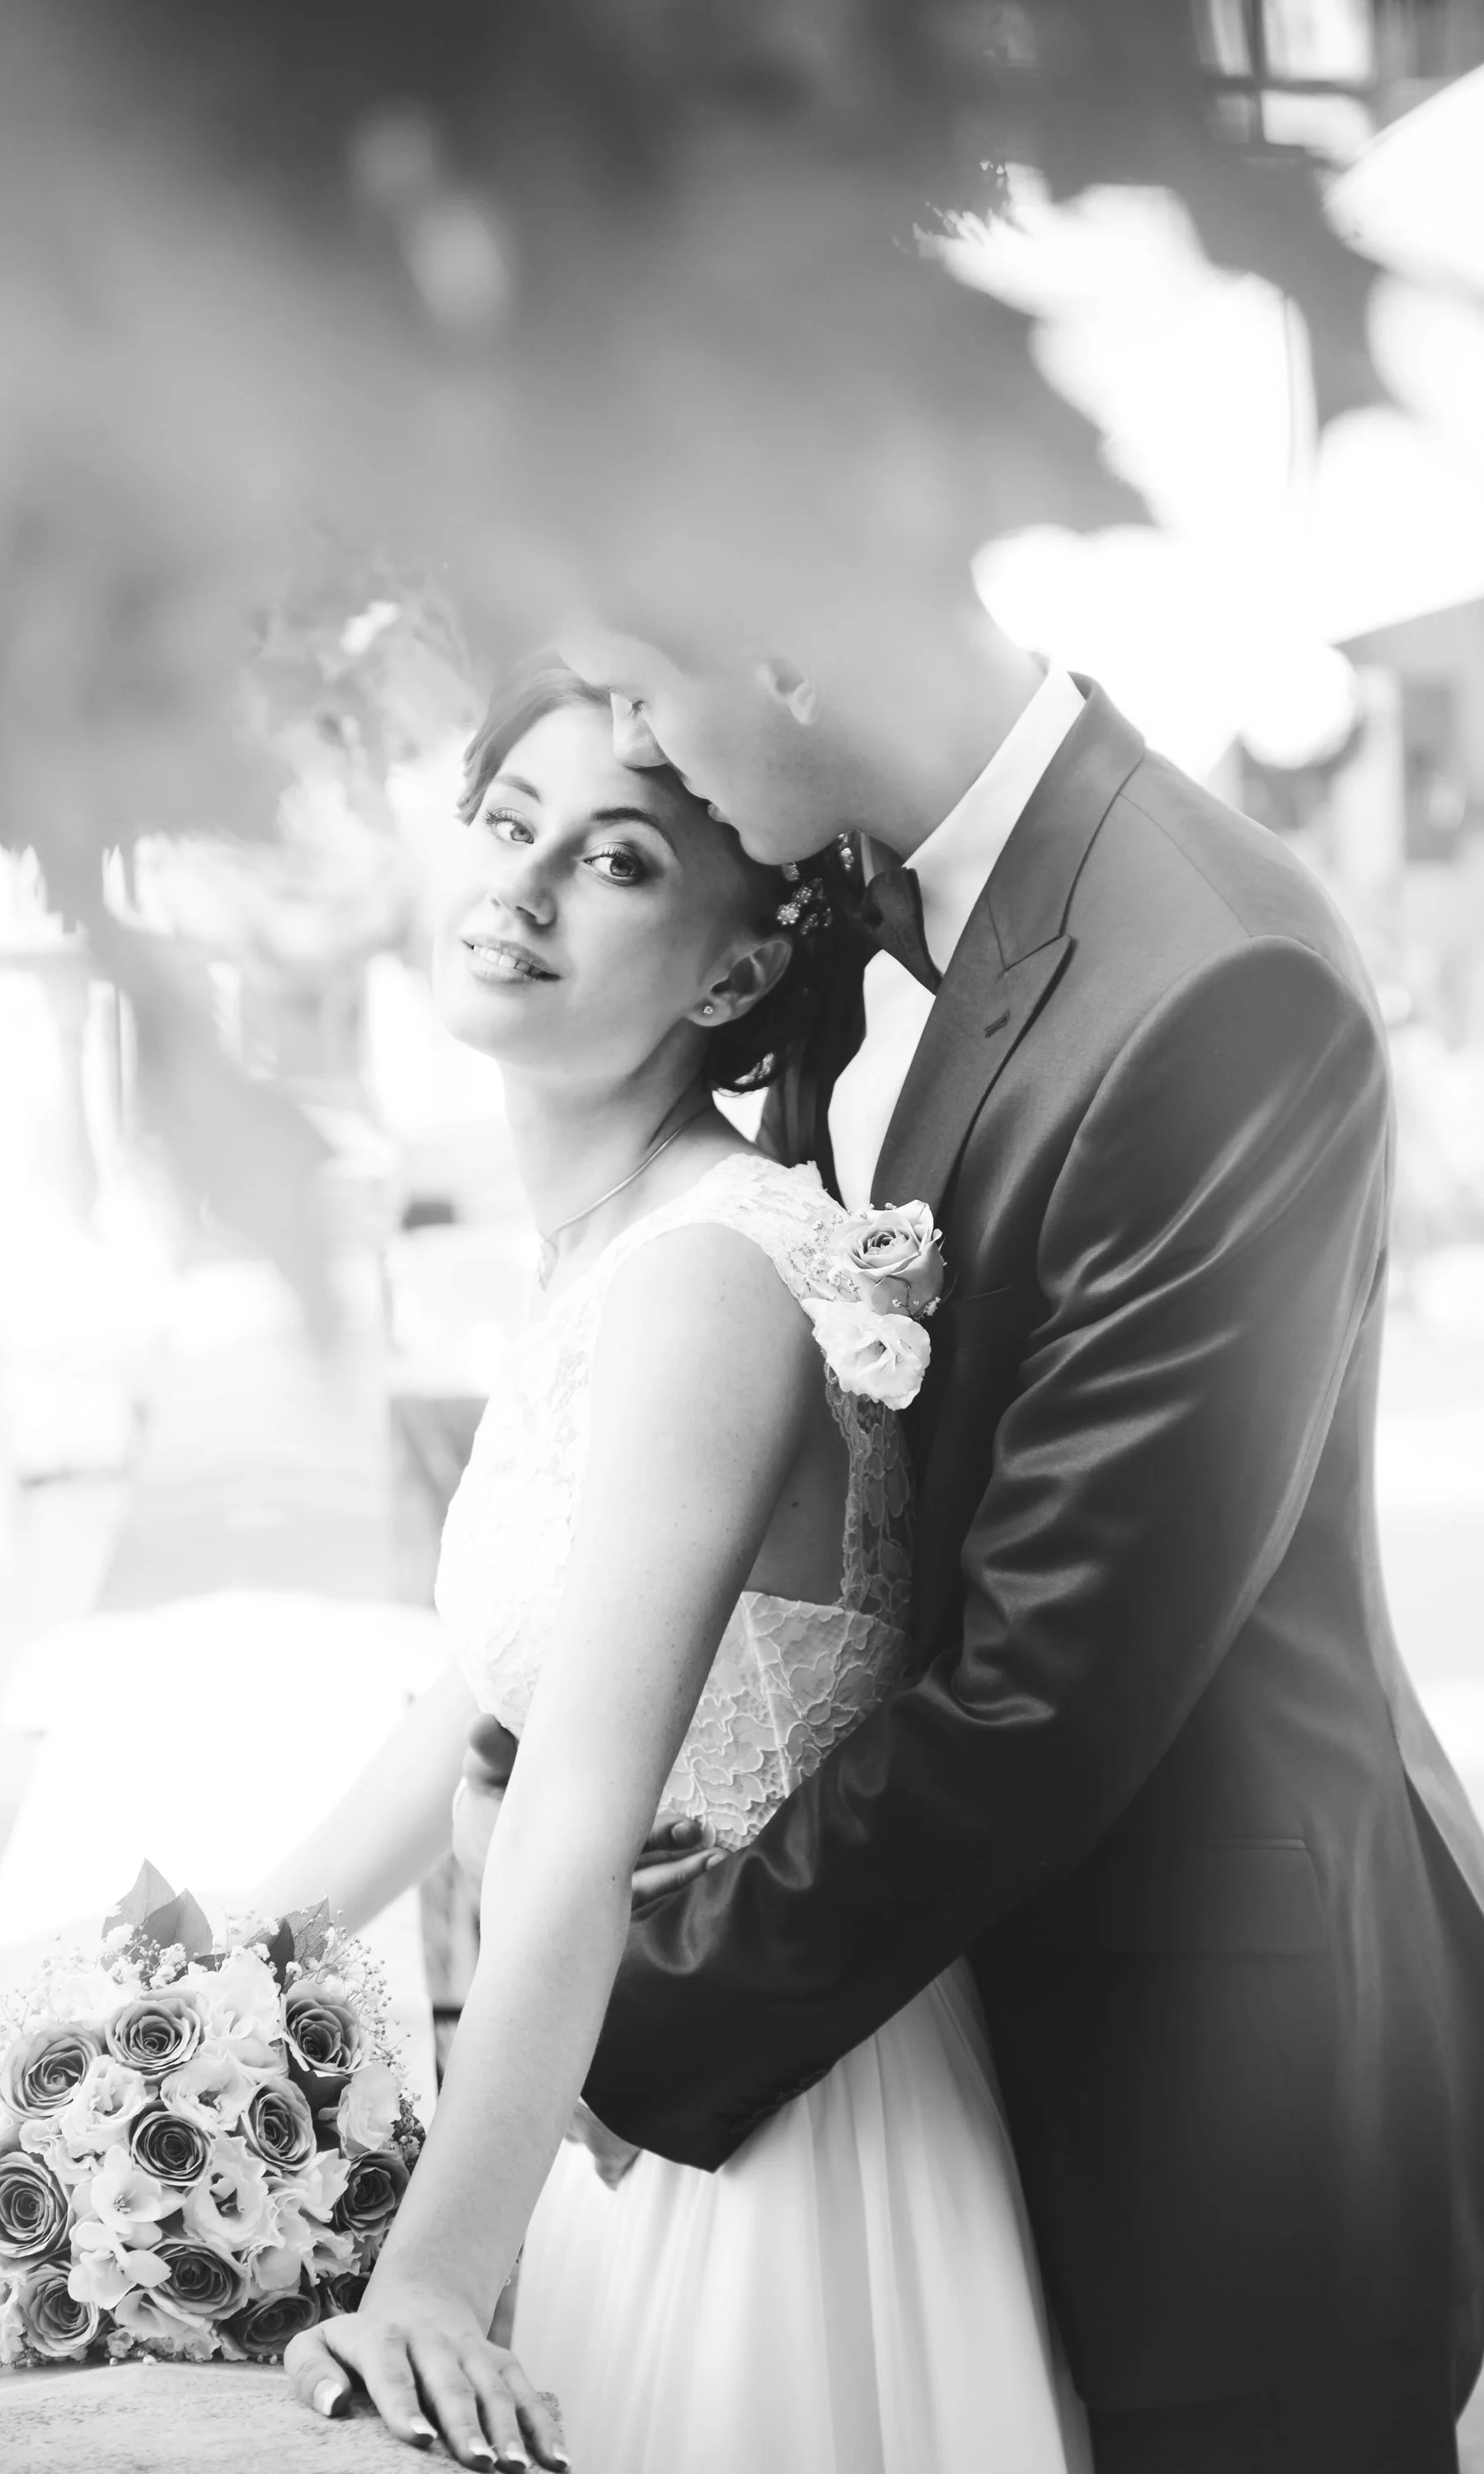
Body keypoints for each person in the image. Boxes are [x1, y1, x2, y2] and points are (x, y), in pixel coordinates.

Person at [444, 612, 1484, 2474]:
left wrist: (625, 2010)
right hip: (954, 2073)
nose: (622, 722)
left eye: (640, 682)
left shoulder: (1214, 974)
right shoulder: (913, 938)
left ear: (781, 651)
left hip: (1220, 2132)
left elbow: (1042, 1692)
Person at [268, 651, 1091, 2472]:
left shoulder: (710, 1276)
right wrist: (155, 2011)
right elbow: (465, 1711)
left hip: (779, 2151)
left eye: (619, 858)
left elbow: (572, 1800)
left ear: (731, 974)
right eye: (508, 823)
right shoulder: (599, 1253)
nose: (529, 883)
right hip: (624, 2096)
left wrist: (427, 2286)